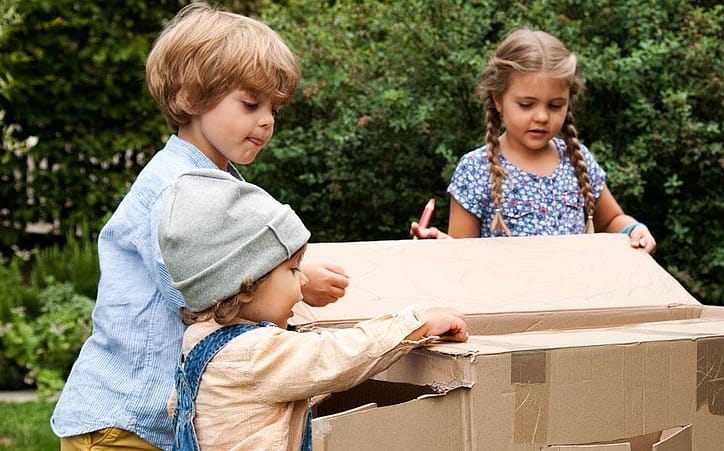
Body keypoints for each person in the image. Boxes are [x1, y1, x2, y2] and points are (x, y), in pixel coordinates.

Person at [51, 4, 349, 450]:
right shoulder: (176, 191)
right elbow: (207, 294)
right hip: (124, 424)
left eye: (273, 107)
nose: (266, 120)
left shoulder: (216, 180)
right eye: (250, 104)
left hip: (151, 423)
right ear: (191, 98)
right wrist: (299, 283)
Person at [159, 169, 469, 450]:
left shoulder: (198, 341)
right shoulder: (254, 352)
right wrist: (417, 323)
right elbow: (333, 356)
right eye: (293, 270)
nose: (303, 279)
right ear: (248, 286)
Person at [410, 28, 656, 254]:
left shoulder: (576, 158)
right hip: (508, 301)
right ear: (498, 99)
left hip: (577, 298)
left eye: (555, 105)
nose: (541, 117)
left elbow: (612, 220)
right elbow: (462, 256)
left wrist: (633, 230)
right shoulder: (475, 169)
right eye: (526, 105)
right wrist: (440, 249)